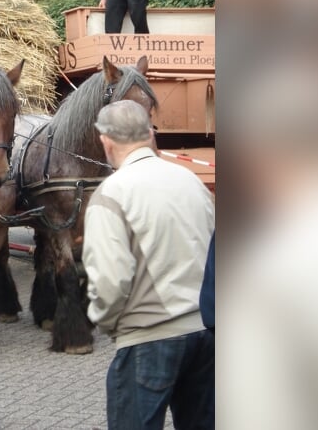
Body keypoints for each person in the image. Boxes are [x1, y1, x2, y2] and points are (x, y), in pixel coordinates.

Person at [83, 100, 215, 430]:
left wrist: (105, 322)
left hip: (147, 338)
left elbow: (110, 282)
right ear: (150, 135)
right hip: (205, 336)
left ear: (105, 140)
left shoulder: (111, 194)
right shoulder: (191, 182)